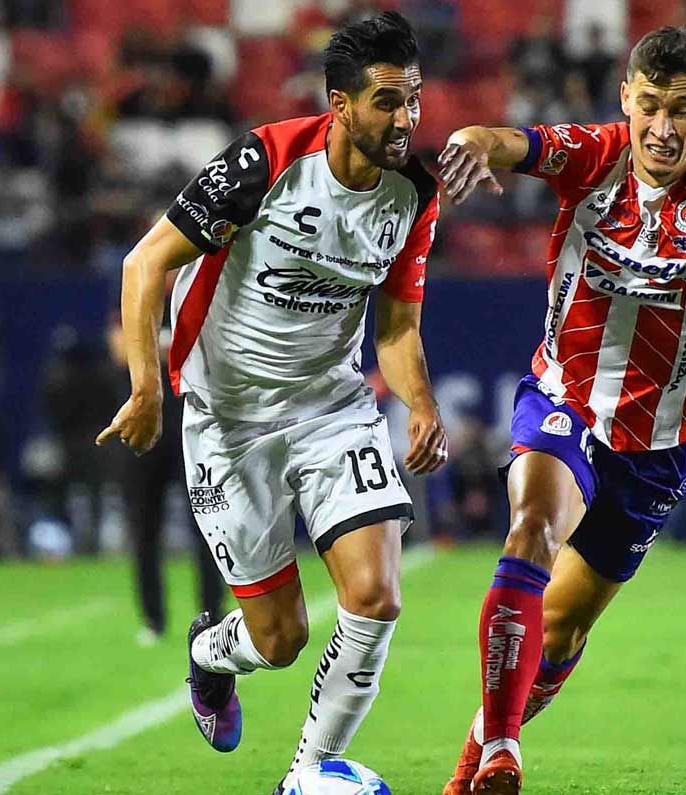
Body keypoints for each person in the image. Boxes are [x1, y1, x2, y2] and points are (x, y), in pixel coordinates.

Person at [436, 25, 686, 794]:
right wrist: (477, 140)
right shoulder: (594, 155)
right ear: (626, 99)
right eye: (649, 105)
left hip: (658, 445)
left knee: (564, 628)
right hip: (566, 402)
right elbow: (514, 141)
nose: (662, 126)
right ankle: (500, 753)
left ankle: (468, 770)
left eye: (680, 108)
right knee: (531, 528)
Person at [95, 12, 447, 793]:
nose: (406, 119)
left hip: (332, 405)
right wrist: (147, 386)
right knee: (280, 637)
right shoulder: (265, 160)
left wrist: (419, 403)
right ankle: (208, 652)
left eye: (414, 98)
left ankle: (309, 772)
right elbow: (145, 263)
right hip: (229, 416)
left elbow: (396, 321)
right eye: (387, 101)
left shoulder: (414, 191)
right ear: (340, 103)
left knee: (376, 593)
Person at [105, 319, 225, 646]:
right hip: (142, 428)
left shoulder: (197, 284)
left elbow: (211, 347)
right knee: (143, 528)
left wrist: (147, 346)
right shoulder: (136, 286)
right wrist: (174, 347)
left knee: (207, 523)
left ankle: (213, 616)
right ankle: (153, 619)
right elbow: (120, 350)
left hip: (192, 423)